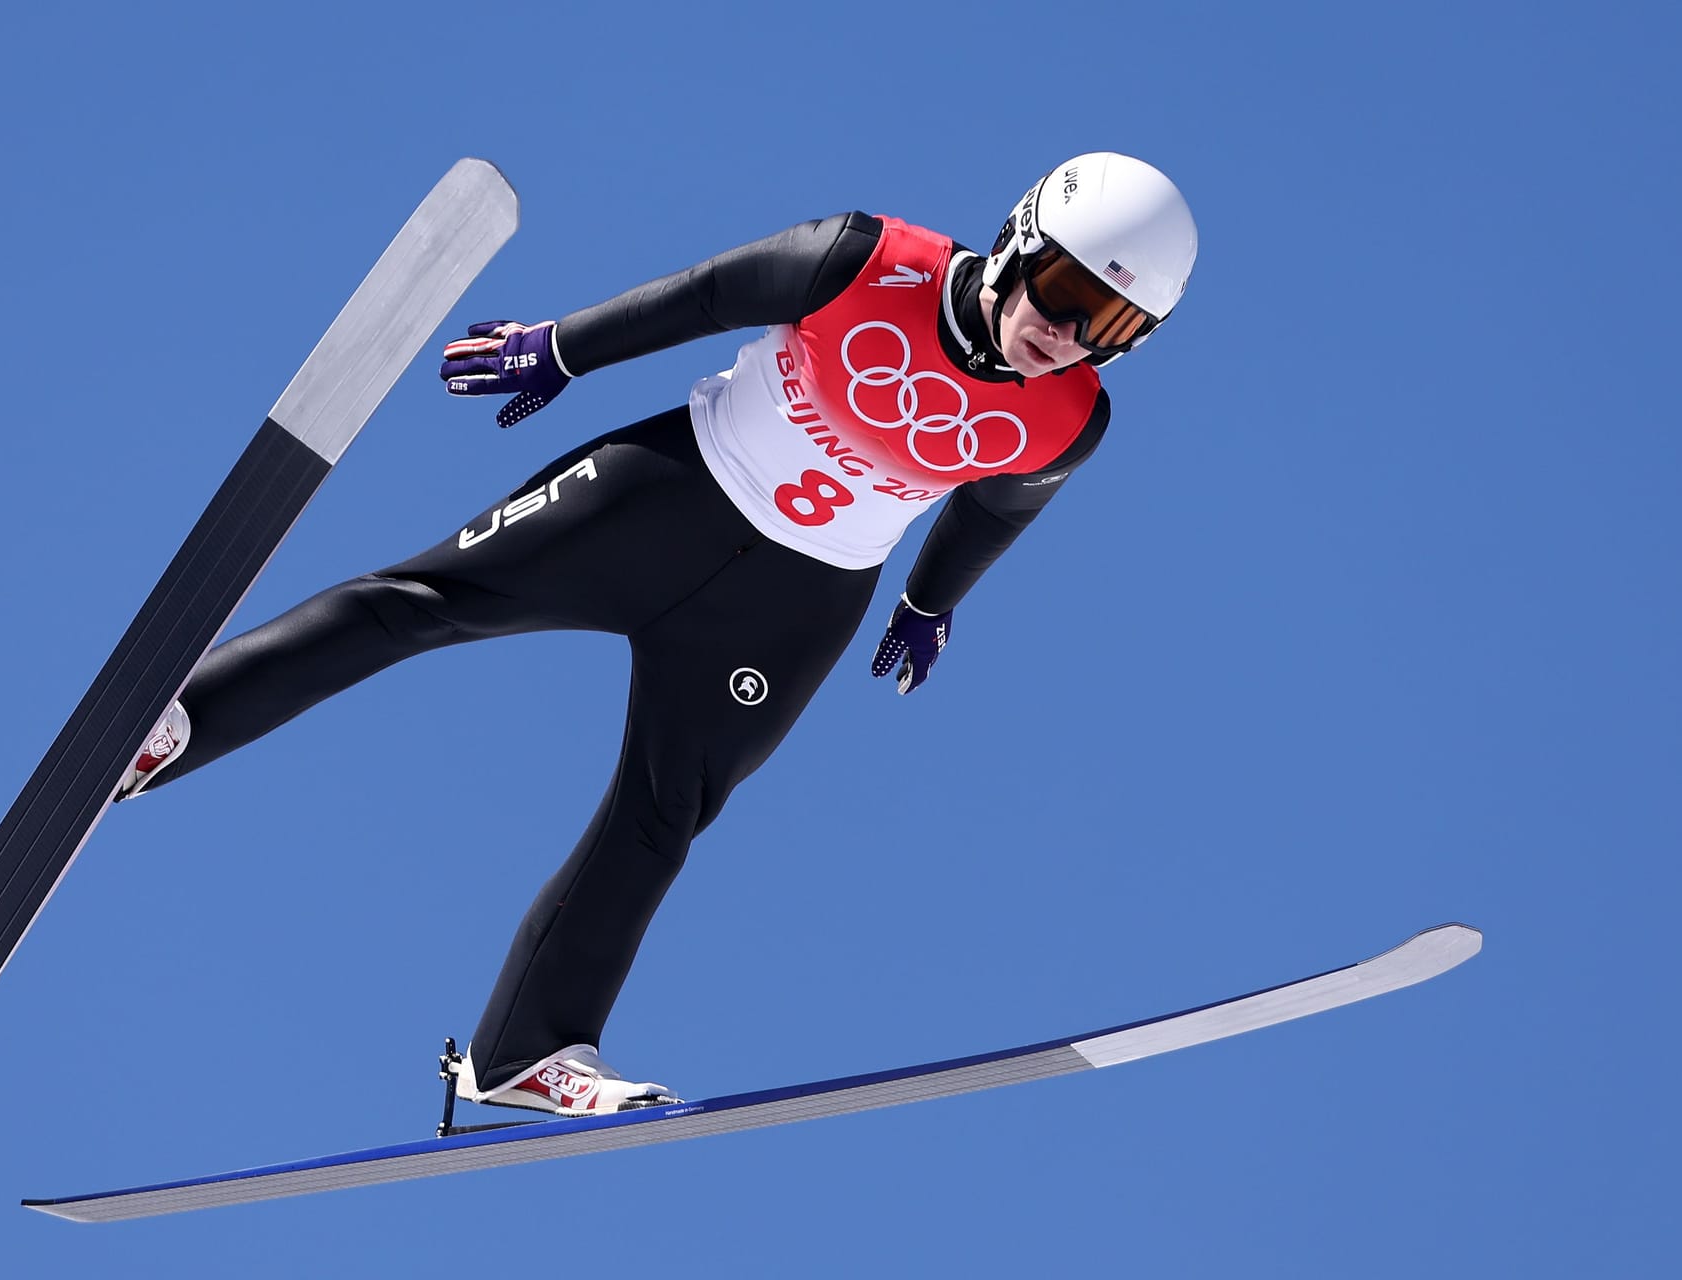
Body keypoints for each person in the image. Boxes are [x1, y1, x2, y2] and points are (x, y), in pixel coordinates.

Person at [116, 151, 1199, 1118]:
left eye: (1109, 326)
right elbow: (707, 294)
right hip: (662, 497)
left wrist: (926, 601)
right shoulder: (868, 260)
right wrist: (562, 350)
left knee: (662, 812)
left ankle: (524, 1054)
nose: (1065, 333)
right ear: (1020, 238)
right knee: (421, 600)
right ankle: (168, 725)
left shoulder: (1070, 418)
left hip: (793, 608)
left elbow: (994, 506)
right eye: (1064, 290)